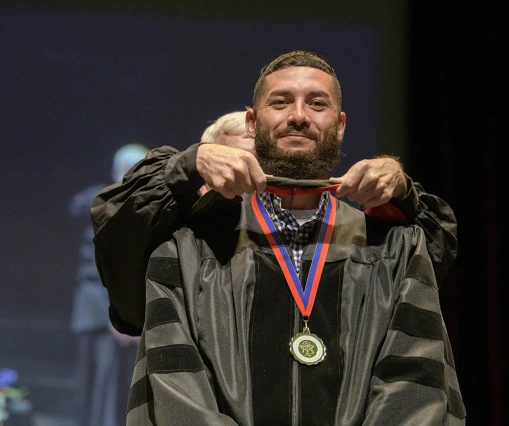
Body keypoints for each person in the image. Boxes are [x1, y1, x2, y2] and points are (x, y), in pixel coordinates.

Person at [116, 51, 466, 425]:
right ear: (252, 123)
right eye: (280, 102)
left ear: (341, 125)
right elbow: (177, 392)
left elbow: (414, 386)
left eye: (317, 103)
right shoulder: (187, 245)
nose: (298, 115)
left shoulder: (395, 248)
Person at [69, 143, 147, 426]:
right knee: (98, 387)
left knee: (119, 387)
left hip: (128, 316)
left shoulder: (146, 207)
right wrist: (116, 316)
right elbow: (99, 269)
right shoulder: (102, 202)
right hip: (100, 312)